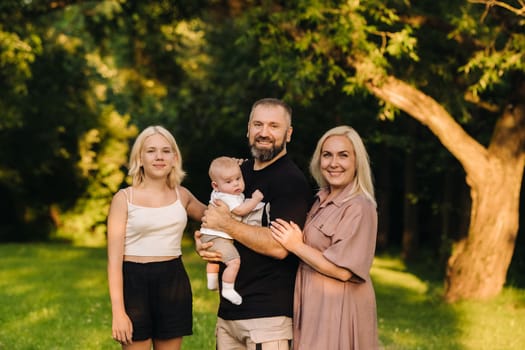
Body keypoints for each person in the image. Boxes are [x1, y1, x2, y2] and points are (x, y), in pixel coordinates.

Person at [197, 98, 312, 350]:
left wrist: (227, 225)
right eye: (258, 124)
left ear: (288, 134)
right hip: (228, 315)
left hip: (267, 317)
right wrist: (207, 244)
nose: (264, 132)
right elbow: (216, 219)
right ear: (248, 129)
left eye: (274, 126)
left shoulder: (291, 181)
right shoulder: (237, 174)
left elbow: (279, 247)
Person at [270, 125, 379, 350]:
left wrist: (295, 246)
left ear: (357, 161)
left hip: (339, 307)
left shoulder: (359, 206)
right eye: (327, 155)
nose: (333, 163)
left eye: (343, 155)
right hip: (313, 304)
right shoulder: (320, 200)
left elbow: (343, 271)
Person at [107, 125, 206, 350]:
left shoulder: (182, 195)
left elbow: (215, 218)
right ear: (140, 158)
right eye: (151, 151)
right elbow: (114, 263)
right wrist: (118, 312)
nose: (159, 157)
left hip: (173, 282)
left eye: (165, 150)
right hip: (134, 284)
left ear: (174, 157)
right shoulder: (123, 199)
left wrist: (236, 178)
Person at [200, 156, 264, 305]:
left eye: (238, 178)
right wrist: (255, 199)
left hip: (208, 235)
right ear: (215, 185)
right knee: (234, 261)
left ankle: (211, 282)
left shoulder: (218, 192)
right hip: (218, 237)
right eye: (229, 181)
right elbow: (241, 211)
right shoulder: (229, 198)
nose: (236, 184)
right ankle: (227, 289)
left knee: (215, 258)